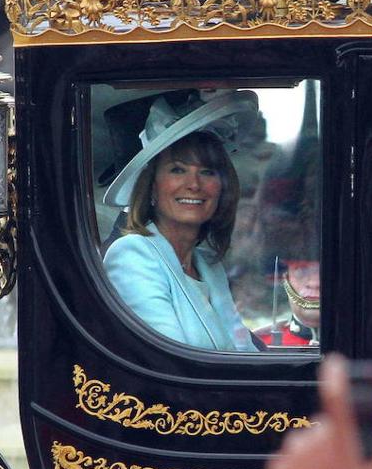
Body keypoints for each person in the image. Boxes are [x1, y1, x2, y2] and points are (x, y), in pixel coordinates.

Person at [103, 90, 261, 352]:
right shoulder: (132, 254)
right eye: (178, 170)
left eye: (207, 172)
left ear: (222, 188)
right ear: (152, 187)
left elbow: (244, 351)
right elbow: (170, 360)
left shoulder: (208, 265)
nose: (194, 184)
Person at [253, 136, 322, 347]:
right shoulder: (257, 346)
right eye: (302, 270)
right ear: (285, 275)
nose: (315, 283)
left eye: (328, 272)